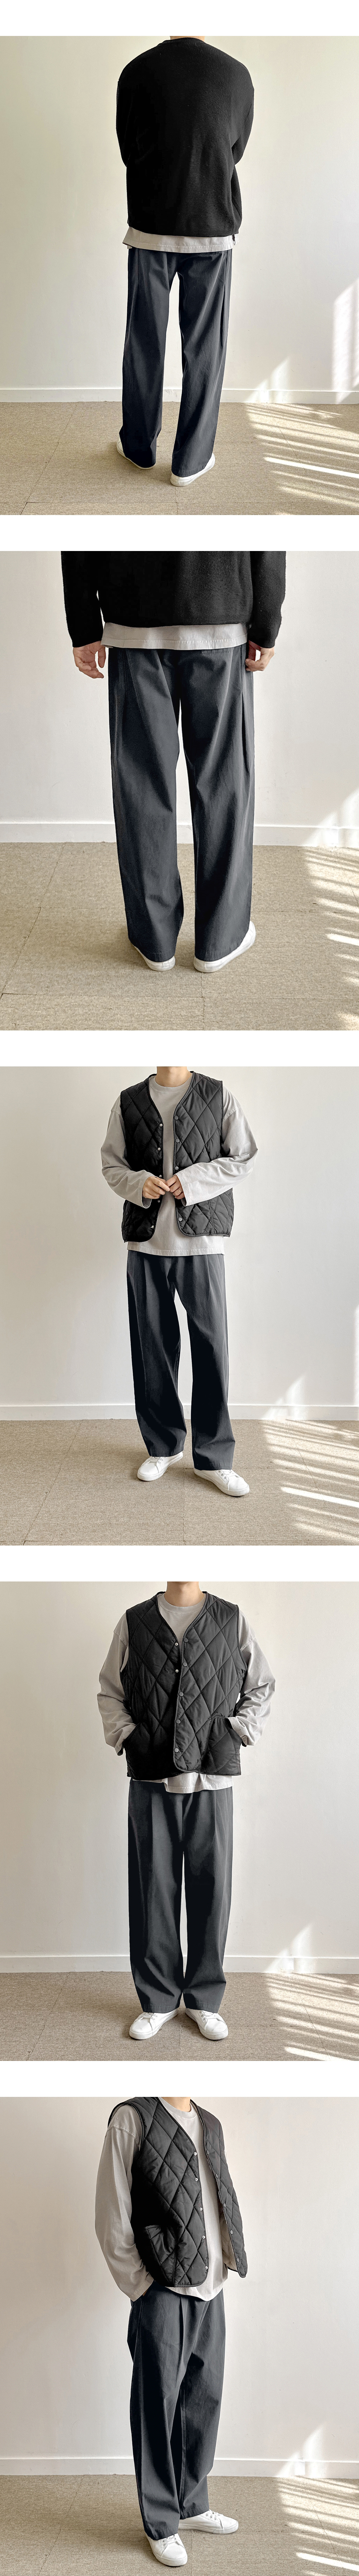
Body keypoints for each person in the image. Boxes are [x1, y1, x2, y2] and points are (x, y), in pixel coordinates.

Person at [61, 547, 286, 974]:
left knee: (141, 784)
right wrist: (266, 622)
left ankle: (154, 940)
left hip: (133, 618)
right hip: (220, 614)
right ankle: (220, 940)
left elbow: (80, 539)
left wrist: (84, 624)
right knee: (225, 783)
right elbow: (265, 534)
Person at [98, 1575, 275, 2043]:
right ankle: (157, 2001)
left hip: (212, 1778)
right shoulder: (134, 1621)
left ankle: (203, 2000)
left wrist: (237, 1732)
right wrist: (128, 1736)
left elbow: (261, 1685)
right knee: (152, 1889)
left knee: (212, 1889)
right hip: (151, 1777)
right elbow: (110, 1690)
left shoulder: (231, 1619)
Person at [95, 2091, 247, 2563]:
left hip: (211, 2286)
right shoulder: (132, 2118)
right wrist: (140, 2286)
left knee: (204, 2399)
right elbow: (111, 2214)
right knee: (156, 2406)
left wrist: (226, 2263)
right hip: (161, 2289)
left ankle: (191, 2504)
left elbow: (216, 2197)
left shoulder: (212, 2123)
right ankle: (161, 2523)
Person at [101, 1059, 257, 1498]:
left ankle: (215, 1458)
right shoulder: (127, 1101)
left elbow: (243, 1157)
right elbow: (111, 1165)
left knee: (211, 1349)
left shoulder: (218, 1095)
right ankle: (163, 1446)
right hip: (145, 1244)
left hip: (203, 1244)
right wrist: (139, 1184)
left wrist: (191, 1181)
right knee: (151, 1349)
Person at [115, 37, 254, 484]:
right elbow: (234, 149)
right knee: (206, 348)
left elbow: (128, 147)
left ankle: (139, 449)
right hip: (212, 226)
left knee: (144, 343)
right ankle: (191, 462)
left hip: (151, 226)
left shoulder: (137, 70)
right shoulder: (236, 74)